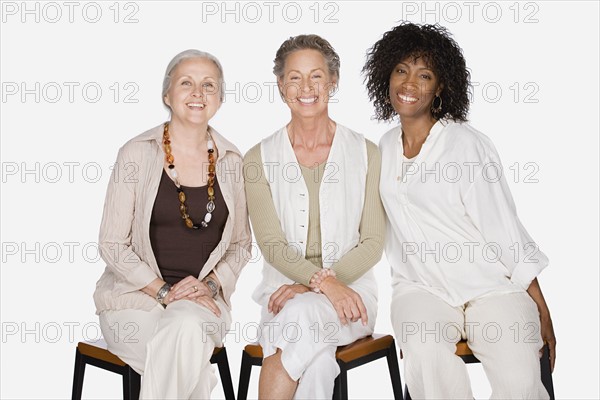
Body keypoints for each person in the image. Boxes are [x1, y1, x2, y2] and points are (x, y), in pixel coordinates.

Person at [363, 22, 556, 399]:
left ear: (440, 87)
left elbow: (504, 228)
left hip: (491, 287)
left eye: (424, 75)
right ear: (385, 77)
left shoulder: (466, 145)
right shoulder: (382, 149)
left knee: (519, 377)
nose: (409, 83)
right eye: (401, 70)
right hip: (420, 288)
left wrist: (541, 307)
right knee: (425, 358)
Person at [93, 49, 251, 399]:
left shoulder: (232, 162)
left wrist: (211, 285)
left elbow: (241, 244)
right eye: (186, 83)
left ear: (221, 99)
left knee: (184, 327)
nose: (198, 92)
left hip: (203, 304)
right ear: (167, 95)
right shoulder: (136, 153)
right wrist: (163, 291)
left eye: (209, 85)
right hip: (133, 303)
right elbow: (111, 244)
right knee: (185, 353)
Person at [243, 34, 385, 399]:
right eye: (294, 77)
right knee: (318, 361)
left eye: (316, 76)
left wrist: (318, 285)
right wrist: (322, 285)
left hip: (351, 299)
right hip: (283, 297)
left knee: (300, 317)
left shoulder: (366, 153)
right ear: (280, 85)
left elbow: (372, 243)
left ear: (333, 81)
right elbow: (272, 246)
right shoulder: (257, 159)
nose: (305, 87)